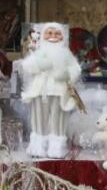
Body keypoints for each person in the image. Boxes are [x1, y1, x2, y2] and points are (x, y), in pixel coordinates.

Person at [21, 23, 84, 158]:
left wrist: (66, 74)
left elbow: (76, 69)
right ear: (43, 35)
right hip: (40, 91)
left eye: (57, 33)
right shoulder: (39, 52)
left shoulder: (66, 53)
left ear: (63, 36)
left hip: (59, 91)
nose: (53, 36)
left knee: (58, 119)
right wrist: (39, 64)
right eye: (49, 33)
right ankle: (38, 146)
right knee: (39, 119)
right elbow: (27, 65)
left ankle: (56, 147)